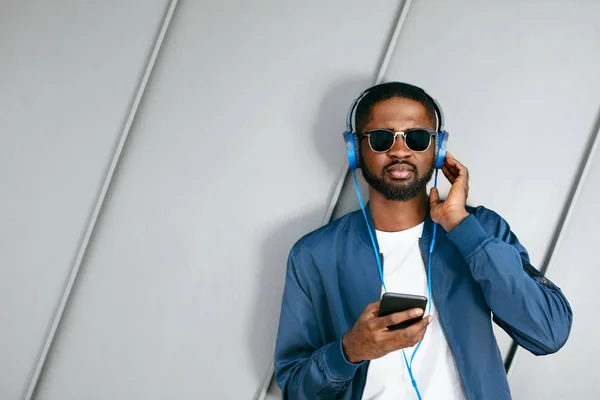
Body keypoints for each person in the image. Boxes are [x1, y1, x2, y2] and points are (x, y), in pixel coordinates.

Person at [273, 82, 573, 399]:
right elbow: (295, 389)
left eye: (417, 138)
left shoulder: (481, 230)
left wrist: (461, 227)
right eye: (381, 139)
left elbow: (548, 332)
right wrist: (350, 350)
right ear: (355, 150)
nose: (400, 150)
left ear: (438, 148)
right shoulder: (314, 255)